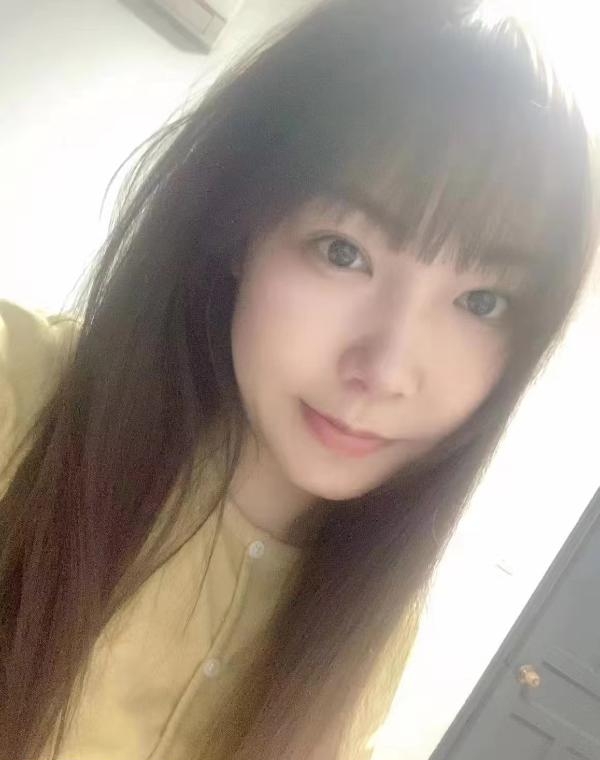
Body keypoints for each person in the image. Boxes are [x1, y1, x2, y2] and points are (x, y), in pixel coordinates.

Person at [0, 1, 596, 758]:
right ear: (239, 231)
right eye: (343, 252)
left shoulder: (374, 624)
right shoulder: (24, 395)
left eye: (482, 302)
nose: (384, 370)